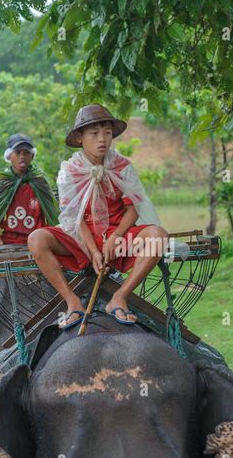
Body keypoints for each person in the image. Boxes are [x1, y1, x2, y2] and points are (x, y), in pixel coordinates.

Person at [28, 104, 169, 328]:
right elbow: (73, 217)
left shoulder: (123, 166)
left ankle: (119, 297)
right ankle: (72, 301)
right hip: (80, 237)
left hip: (117, 238)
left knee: (158, 236)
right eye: (94, 134)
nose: (102, 139)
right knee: (36, 239)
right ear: (80, 138)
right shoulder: (69, 170)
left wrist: (116, 237)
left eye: (107, 133)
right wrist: (93, 250)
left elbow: (133, 209)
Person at [0, 134, 58, 251]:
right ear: (9, 156)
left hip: (38, 238)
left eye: (26, 153)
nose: (22, 157)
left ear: (32, 156)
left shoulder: (39, 180)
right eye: (18, 153)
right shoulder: (2, 181)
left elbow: (51, 212)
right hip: (9, 238)